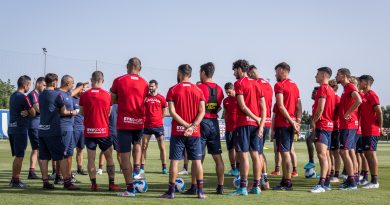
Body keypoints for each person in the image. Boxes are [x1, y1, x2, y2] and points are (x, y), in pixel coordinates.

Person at [160, 64, 206, 199]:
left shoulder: (173, 89)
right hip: (194, 132)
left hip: (178, 132)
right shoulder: (198, 90)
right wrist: (192, 126)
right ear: (190, 74)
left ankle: (171, 192)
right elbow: (202, 111)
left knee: (175, 161)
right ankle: (200, 192)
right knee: (197, 161)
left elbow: (172, 112)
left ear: (180, 73)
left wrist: (186, 126)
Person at [38, 73, 84, 190]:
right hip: (54, 130)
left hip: (42, 129)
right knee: (62, 155)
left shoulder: (41, 95)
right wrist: (72, 112)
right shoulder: (57, 94)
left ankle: (45, 182)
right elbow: (63, 112)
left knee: (43, 157)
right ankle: (67, 182)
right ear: (54, 82)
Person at [228, 59, 266, 196]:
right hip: (256, 126)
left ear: (239, 69)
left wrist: (255, 119)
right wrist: (261, 125)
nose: (233, 73)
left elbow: (242, 106)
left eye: (234, 70)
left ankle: (243, 188)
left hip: (244, 124)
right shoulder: (257, 84)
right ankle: (256, 186)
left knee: (243, 156)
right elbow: (264, 107)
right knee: (256, 156)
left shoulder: (239, 83)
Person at [111, 57, 148, 197]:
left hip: (124, 123)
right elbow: (144, 101)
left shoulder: (119, 80)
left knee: (125, 156)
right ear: (140, 68)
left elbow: (112, 99)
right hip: (139, 122)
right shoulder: (144, 83)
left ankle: (130, 189)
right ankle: (137, 170)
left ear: (128, 66)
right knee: (137, 144)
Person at [79, 70, 121, 192]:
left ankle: (93, 185)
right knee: (109, 158)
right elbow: (109, 113)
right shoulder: (108, 95)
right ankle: (111, 184)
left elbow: (82, 112)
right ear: (102, 80)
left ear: (91, 80)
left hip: (90, 131)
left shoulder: (84, 95)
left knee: (91, 159)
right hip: (103, 131)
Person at [193, 62, 225, 195]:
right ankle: (220, 187)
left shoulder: (200, 87)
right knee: (217, 157)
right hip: (214, 122)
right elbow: (219, 107)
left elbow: (196, 106)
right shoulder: (219, 89)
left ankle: (195, 187)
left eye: (200, 72)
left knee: (198, 157)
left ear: (204, 73)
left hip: (202, 122)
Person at [272, 62, 302, 191]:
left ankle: (287, 182)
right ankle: (285, 180)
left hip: (284, 124)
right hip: (290, 123)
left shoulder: (279, 85)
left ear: (283, 70)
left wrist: (291, 121)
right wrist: (297, 122)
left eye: (277, 70)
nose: (275, 73)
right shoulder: (295, 85)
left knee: (285, 154)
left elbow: (280, 106)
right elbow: (299, 106)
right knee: (287, 152)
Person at [309, 67, 335, 193]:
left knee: (322, 155)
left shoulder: (323, 88)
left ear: (324, 75)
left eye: (317, 74)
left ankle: (321, 184)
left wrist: (314, 120)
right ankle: (327, 183)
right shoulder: (331, 89)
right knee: (327, 155)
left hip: (322, 125)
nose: (315, 76)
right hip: (329, 125)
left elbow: (321, 107)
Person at [335, 68, 362, 190]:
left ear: (344, 75)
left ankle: (352, 181)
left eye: (338, 74)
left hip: (349, 124)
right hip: (347, 125)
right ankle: (352, 178)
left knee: (344, 151)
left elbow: (359, 100)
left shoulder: (350, 87)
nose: (336, 76)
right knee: (349, 151)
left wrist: (347, 113)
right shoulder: (346, 88)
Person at [8, 75, 36, 188]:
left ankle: (14, 179)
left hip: (12, 128)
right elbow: (33, 112)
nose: (29, 87)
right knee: (19, 156)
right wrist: (29, 112)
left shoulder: (13, 96)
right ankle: (15, 180)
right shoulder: (23, 97)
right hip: (20, 129)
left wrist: (26, 112)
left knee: (17, 155)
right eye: (29, 85)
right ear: (25, 85)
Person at [358, 75, 385, 189]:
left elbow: (379, 112)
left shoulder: (372, 95)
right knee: (367, 154)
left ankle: (375, 181)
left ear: (366, 83)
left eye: (360, 81)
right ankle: (368, 179)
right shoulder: (365, 95)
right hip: (365, 130)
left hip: (372, 130)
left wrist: (380, 127)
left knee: (371, 153)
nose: (358, 83)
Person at [248, 65, 273, 189]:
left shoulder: (255, 84)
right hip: (267, 120)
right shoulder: (268, 84)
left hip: (258, 122)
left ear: (251, 73)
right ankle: (264, 178)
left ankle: (258, 182)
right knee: (260, 152)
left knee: (256, 153)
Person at [141, 79, 168, 174]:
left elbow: (165, 110)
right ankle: (142, 168)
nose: (150, 88)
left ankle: (164, 167)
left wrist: (160, 118)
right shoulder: (145, 98)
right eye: (149, 86)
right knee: (144, 147)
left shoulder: (161, 98)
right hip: (147, 126)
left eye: (152, 86)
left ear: (156, 86)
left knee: (162, 147)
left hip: (158, 126)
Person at [27, 77, 46, 179]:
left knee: (37, 149)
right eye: (43, 85)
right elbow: (37, 109)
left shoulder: (40, 94)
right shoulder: (33, 94)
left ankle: (35, 172)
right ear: (38, 83)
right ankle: (33, 172)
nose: (44, 87)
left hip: (38, 125)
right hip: (34, 125)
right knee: (37, 149)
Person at [222, 82, 239, 177]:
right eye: (226, 92)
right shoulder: (225, 101)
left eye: (229, 92)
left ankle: (238, 168)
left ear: (233, 89)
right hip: (228, 129)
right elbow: (225, 113)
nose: (228, 94)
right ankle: (233, 168)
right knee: (230, 149)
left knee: (238, 149)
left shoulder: (239, 98)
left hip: (237, 128)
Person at [329, 80, 342, 182]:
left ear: (334, 87)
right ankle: (331, 171)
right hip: (328, 128)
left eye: (330, 86)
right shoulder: (330, 97)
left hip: (335, 128)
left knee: (336, 152)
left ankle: (336, 174)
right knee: (329, 152)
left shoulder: (337, 98)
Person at [73, 82, 87, 175]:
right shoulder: (71, 99)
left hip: (83, 128)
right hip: (74, 128)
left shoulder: (84, 100)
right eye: (82, 89)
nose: (83, 91)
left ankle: (80, 168)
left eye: (84, 89)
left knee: (81, 149)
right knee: (71, 150)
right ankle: (68, 171)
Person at [304, 86, 319, 170]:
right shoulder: (314, 104)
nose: (312, 93)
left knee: (309, 140)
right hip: (316, 128)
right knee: (320, 151)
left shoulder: (319, 104)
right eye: (312, 92)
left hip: (321, 128)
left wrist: (315, 128)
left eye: (314, 92)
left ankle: (311, 161)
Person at [109, 103, 121, 170]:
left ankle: (122, 168)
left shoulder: (121, 105)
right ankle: (100, 168)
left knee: (119, 152)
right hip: (109, 132)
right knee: (106, 151)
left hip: (118, 133)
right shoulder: (108, 105)